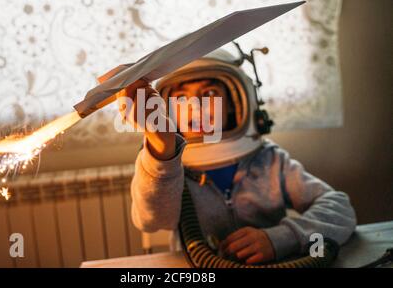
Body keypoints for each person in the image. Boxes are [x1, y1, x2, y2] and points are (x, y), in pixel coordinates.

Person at [119, 48, 356, 265]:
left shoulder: (270, 161)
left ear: (234, 103)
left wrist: (282, 238)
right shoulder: (168, 168)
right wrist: (161, 146)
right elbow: (150, 221)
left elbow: (341, 210)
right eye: (181, 98)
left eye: (209, 94)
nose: (196, 107)